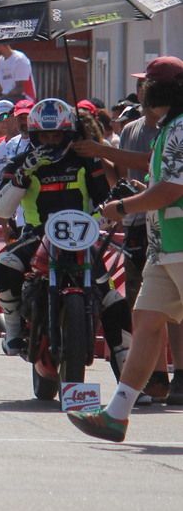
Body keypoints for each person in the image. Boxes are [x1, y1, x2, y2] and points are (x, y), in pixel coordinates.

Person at [69, 57, 183, 441]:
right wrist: (140, 196)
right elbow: (162, 187)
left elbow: (171, 190)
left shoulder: (181, 128)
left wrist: (125, 207)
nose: (142, 89)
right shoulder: (168, 127)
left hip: (180, 244)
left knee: (149, 323)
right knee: (147, 323)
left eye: (148, 82)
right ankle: (117, 415)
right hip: (164, 247)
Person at [0, 98, 128, 363]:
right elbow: (3, 210)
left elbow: (105, 200)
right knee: (4, 267)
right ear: (34, 134)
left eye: (57, 134)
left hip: (83, 235)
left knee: (113, 299)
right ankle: (14, 329)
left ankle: (126, 365)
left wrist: (100, 219)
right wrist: (23, 175)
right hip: (37, 234)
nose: (51, 140)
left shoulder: (88, 160)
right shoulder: (19, 161)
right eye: (45, 134)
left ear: (69, 133)